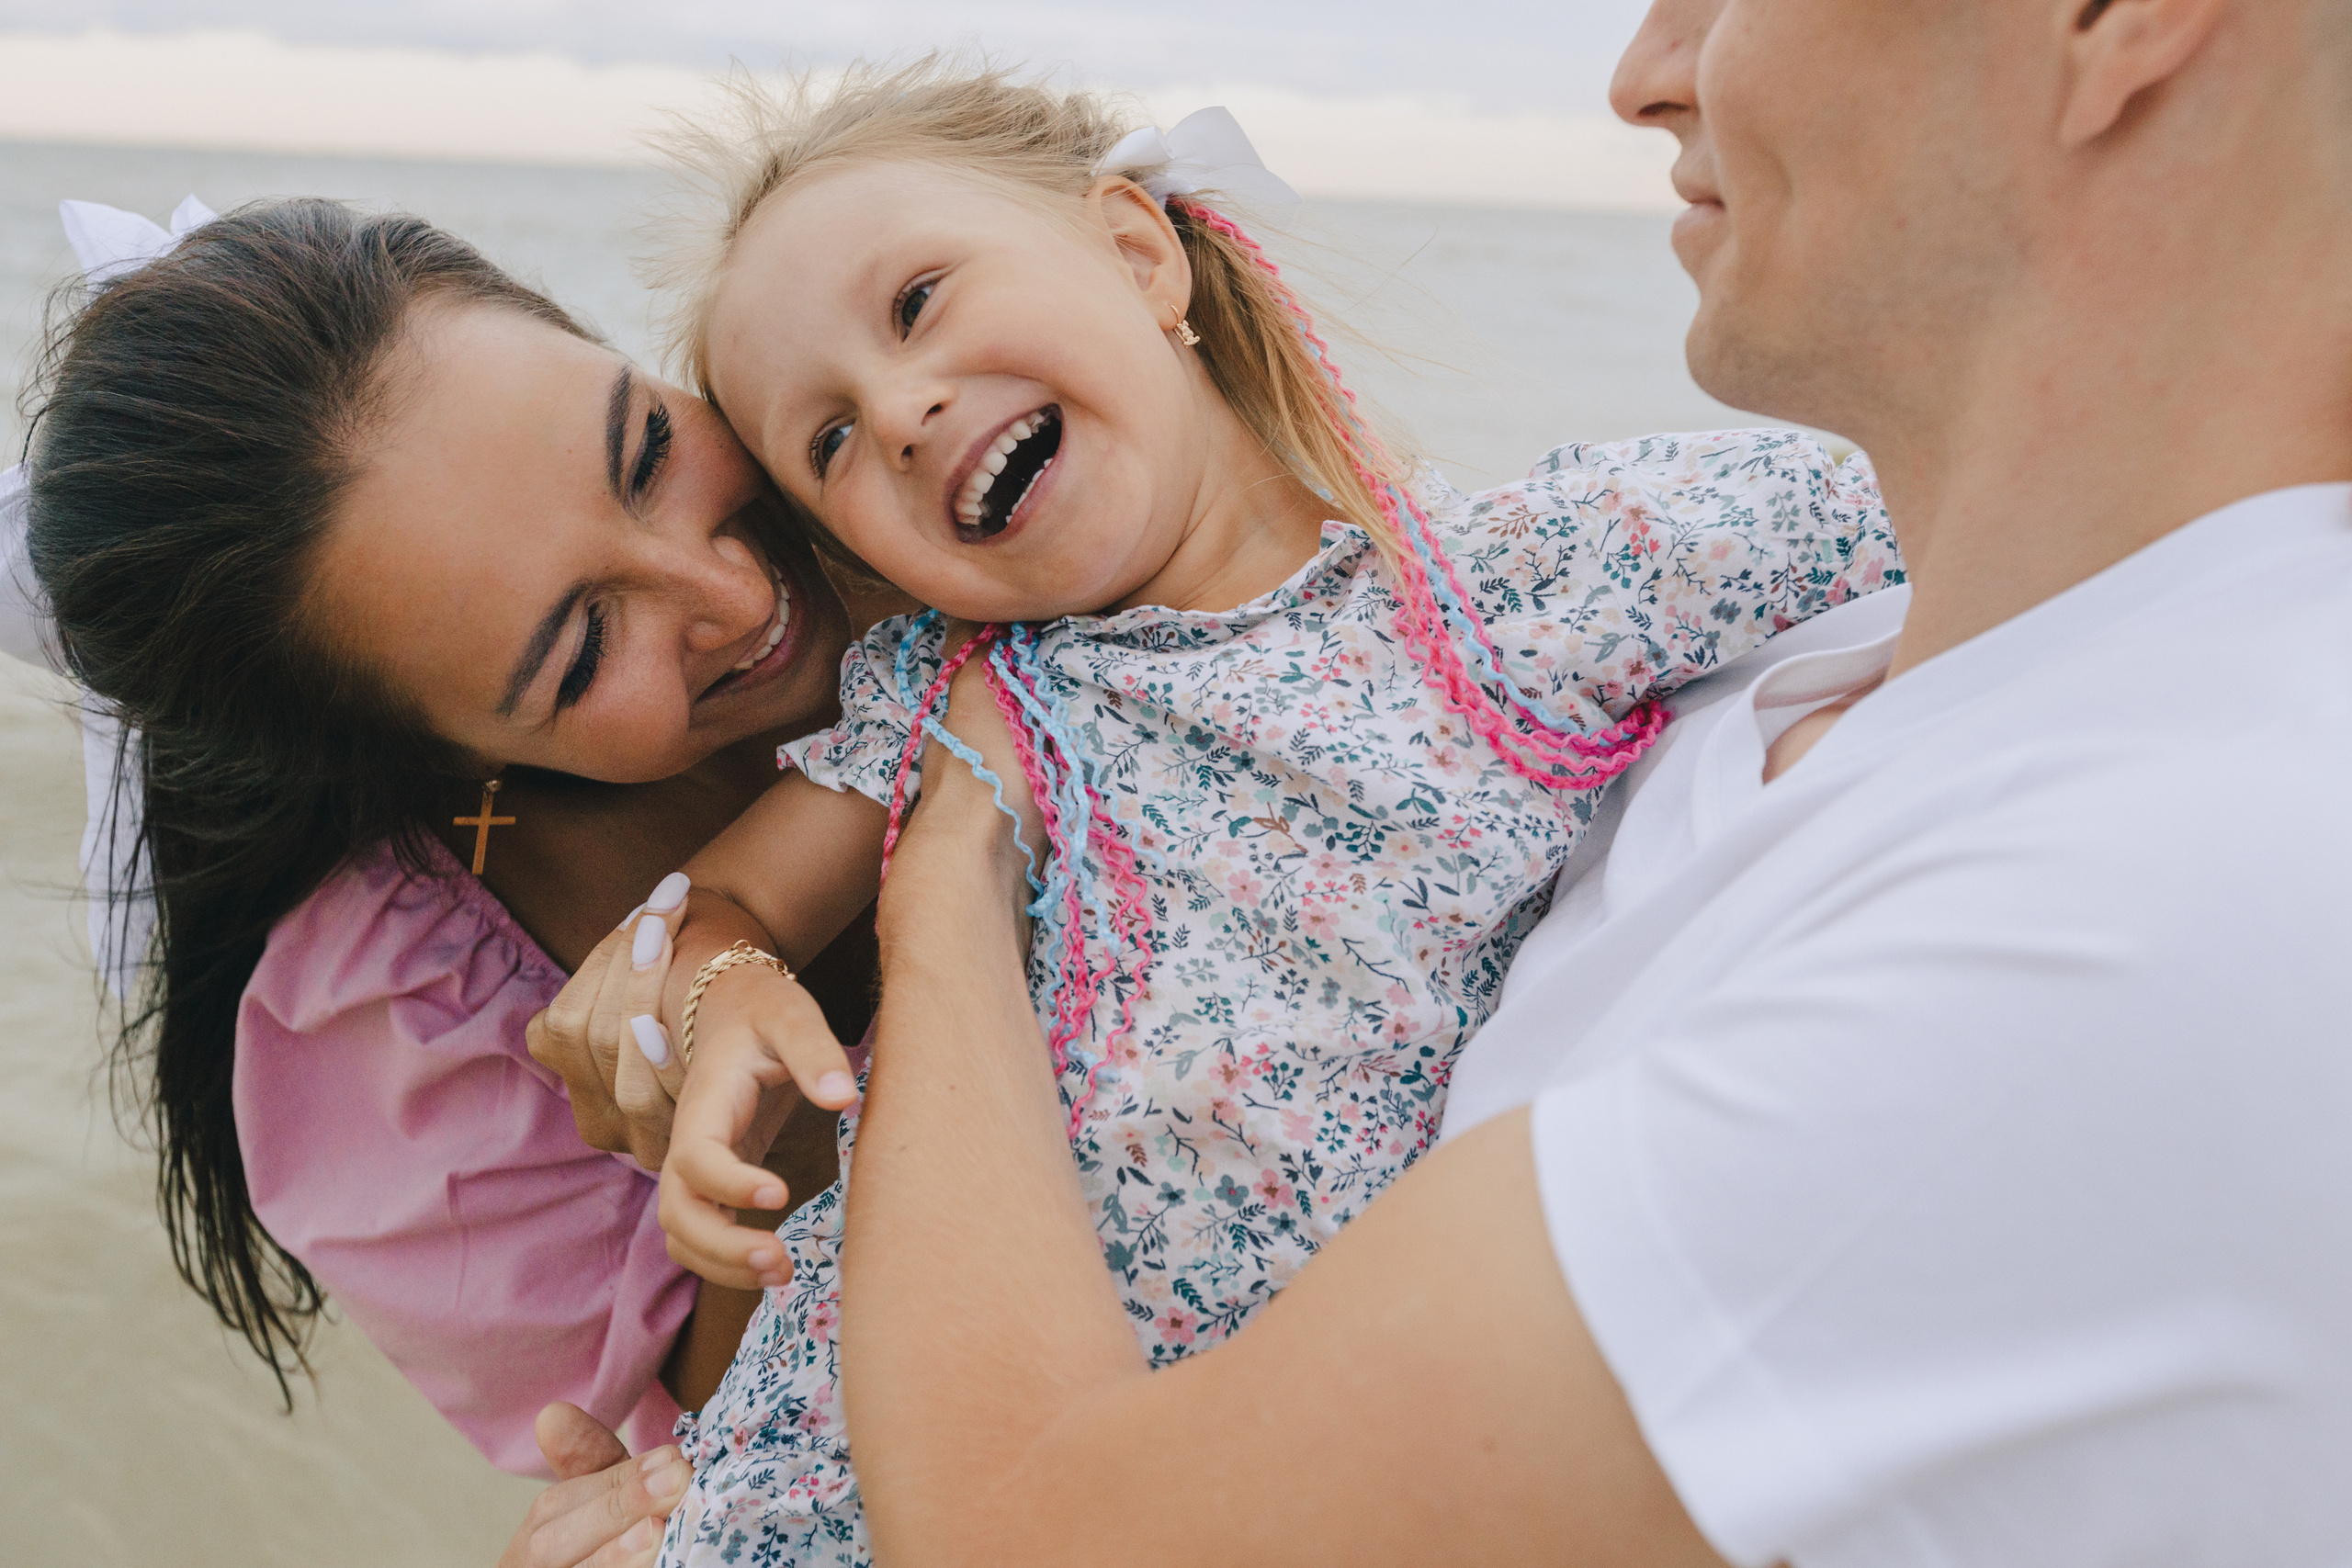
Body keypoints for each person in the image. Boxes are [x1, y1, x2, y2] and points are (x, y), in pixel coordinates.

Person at [523, 0, 2352, 1560]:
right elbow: (728, 908)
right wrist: (718, 982)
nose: (904, 411)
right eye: (829, 440)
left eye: (921, 301)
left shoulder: (1535, 589)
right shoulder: (969, 693)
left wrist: (939, 886)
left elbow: (1920, 502)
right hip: (834, 1456)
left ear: (1141, 256)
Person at [16, 198, 901, 1474]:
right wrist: (762, 1136)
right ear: (432, 757)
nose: (732, 591)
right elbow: (692, 1462)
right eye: (582, 649)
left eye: (647, 449)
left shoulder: (950, 432)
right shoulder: (412, 1030)